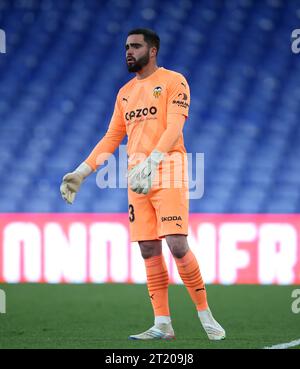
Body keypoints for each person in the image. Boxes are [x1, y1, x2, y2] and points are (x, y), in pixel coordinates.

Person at [60, 28, 225, 341]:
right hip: (137, 178)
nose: (128, 51)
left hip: (169, 170)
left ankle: (204, 312)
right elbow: (112, 137)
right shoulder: (124, 92)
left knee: (176, 243)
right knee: (149, 248)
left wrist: (152, 162)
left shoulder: (174, 81)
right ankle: (162, 323)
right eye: (126, 47)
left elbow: (175, 126)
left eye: (135, 46)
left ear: (153, 51)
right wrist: (81, 172)